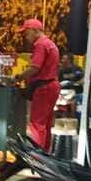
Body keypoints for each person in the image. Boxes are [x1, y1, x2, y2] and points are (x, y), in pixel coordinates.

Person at [15, 19, 60, 152]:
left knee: (37, 124)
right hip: (52, 86)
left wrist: (18, 77)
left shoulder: (40, 44)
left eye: (26, 32)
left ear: (34, 30)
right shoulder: (50, 44)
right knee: (46, 124)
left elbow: (35, 68)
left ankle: (35, 156)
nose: (25, 36)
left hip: (44, 88)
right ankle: (45, 154)